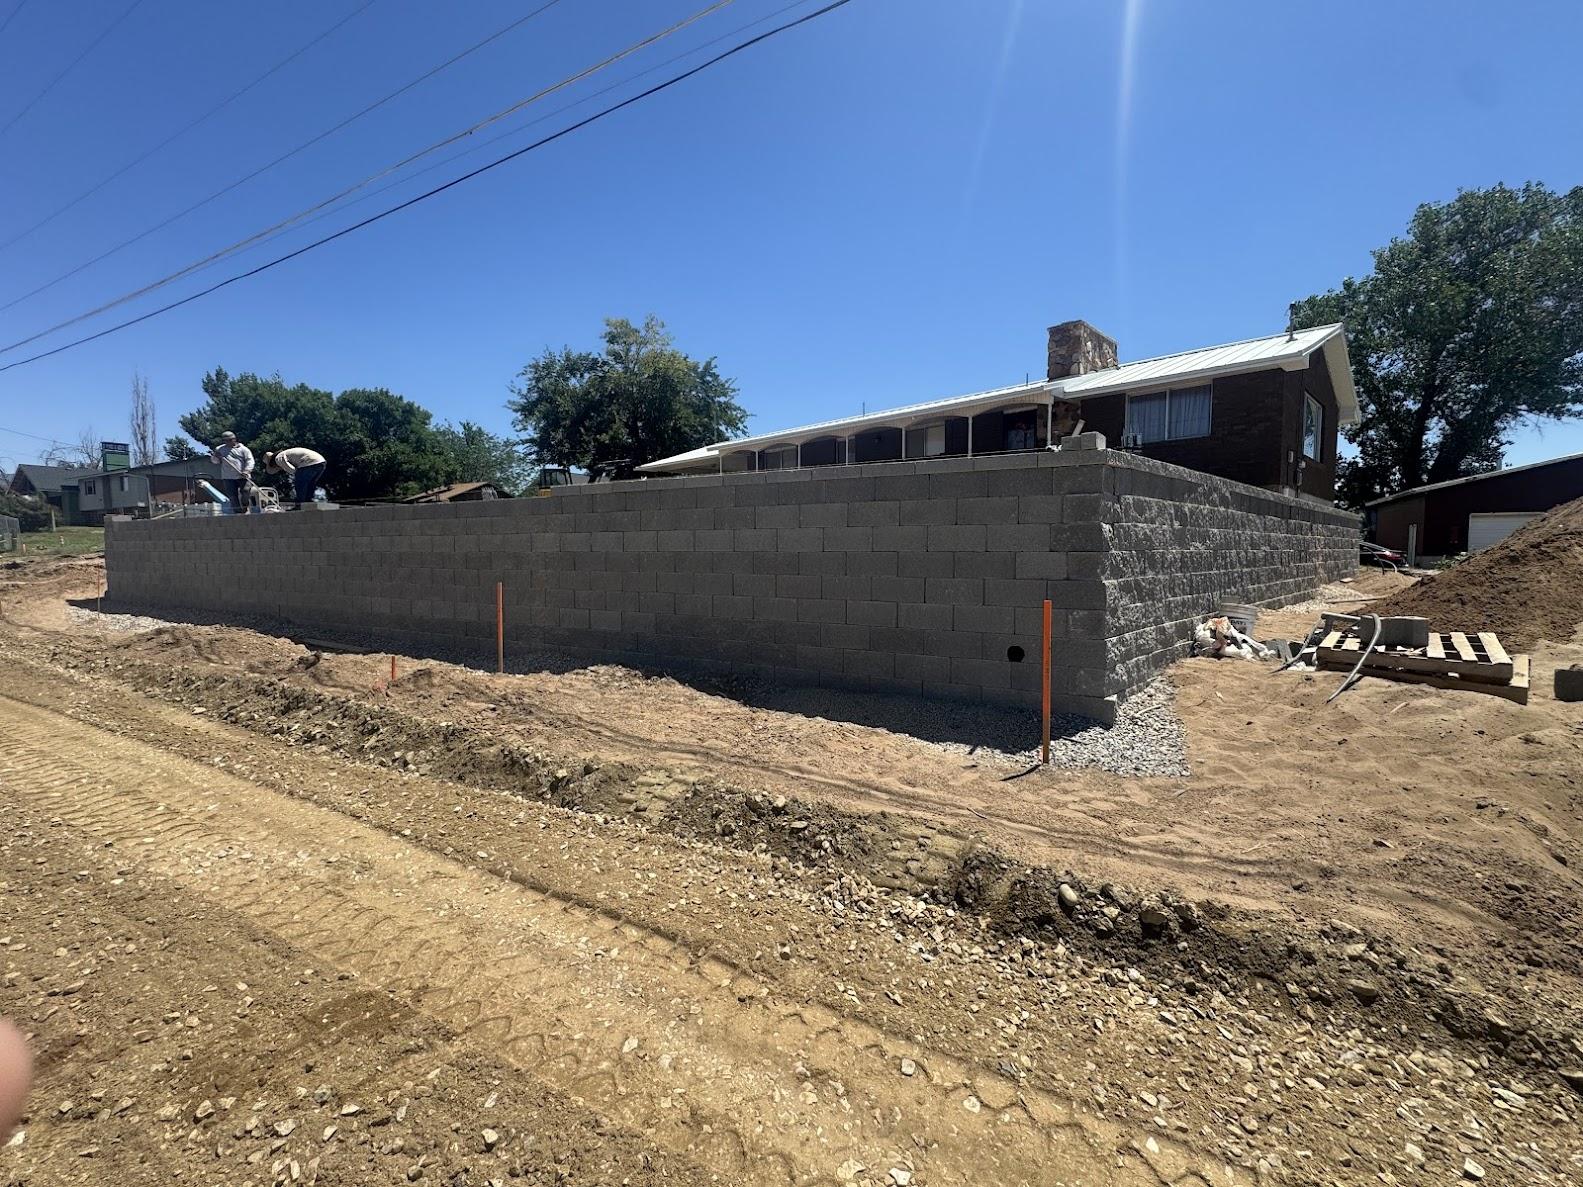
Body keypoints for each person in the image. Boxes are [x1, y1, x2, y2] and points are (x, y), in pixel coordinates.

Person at [210, 431, 256, 514]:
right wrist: (216, 456)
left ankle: (245, 508)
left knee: (245, 492)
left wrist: (247, 470)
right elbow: (215, 461)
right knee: (232, 496)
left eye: (230, 440)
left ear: (234, 439)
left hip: (243, 476)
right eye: (226, 441)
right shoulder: (220, 449)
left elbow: (250, 461)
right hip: (228, 477)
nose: (228, 442)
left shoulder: (243, 449)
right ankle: (237, 512)